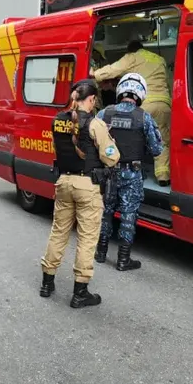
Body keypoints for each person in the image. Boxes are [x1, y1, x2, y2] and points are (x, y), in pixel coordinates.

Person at [39, 79, 120, 308]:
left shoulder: (57, 121)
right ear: (92, 99)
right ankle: (80, 292)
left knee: (58, 233)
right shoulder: (95, 124)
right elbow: (111, 157)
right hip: (87, 186)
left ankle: (47, 282)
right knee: (86, 238)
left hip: (63, 182)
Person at [95, 73, 163, 270]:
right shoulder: (144, 117)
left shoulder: (104, 114)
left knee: (106, 211)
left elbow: (94, 141)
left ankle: (100, 252)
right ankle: (123, 260)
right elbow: (157, 149)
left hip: (108, 172)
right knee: (128, 214)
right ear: (140, 93)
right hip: (131, 174)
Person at [91, 40, 172, 187]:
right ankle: (163, 176)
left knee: (134, 137)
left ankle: (133, 172)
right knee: (163, 139)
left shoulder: (133, 57)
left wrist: (95, 74)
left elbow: (113, 69)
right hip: (164, 103)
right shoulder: (160, 60)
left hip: (145, 103)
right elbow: (169, 82)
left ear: (130, 51)